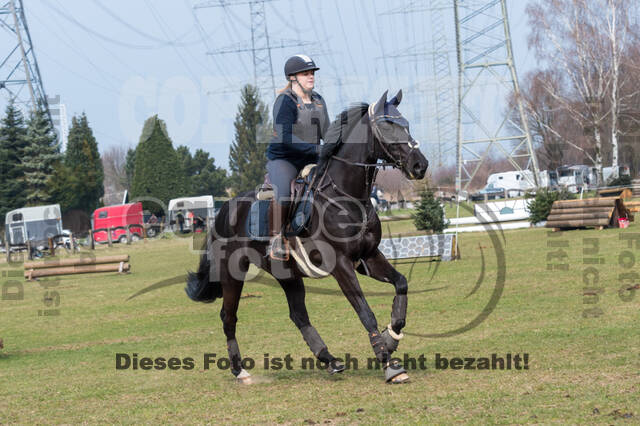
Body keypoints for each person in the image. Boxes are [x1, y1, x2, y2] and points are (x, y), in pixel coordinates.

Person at [266, 54, 330, 260]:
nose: (311, 77)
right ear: (292, 78)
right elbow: (285, 136)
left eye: (312, 73)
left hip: (313, 158)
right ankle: (276, 239)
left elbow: (327, 131)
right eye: (305, 73)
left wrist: (334, 147)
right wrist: (315, 150)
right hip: (285, 159)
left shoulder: (319, 101)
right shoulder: (285, 101)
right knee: (284, 190)